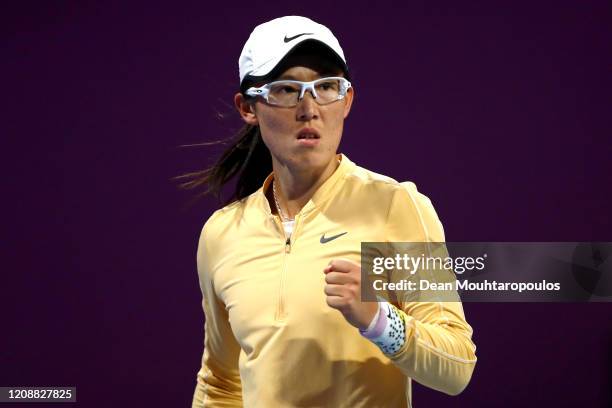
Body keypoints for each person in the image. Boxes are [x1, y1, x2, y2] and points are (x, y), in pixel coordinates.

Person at [185, 15, 477, 408]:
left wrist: (378, 320)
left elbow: (457, 365)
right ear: (248, 107)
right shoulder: (222, 233)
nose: (309, 109)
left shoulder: (395, 207)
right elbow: (221, 383)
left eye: (326, 87)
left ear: (347, 101)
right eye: (286, 90)